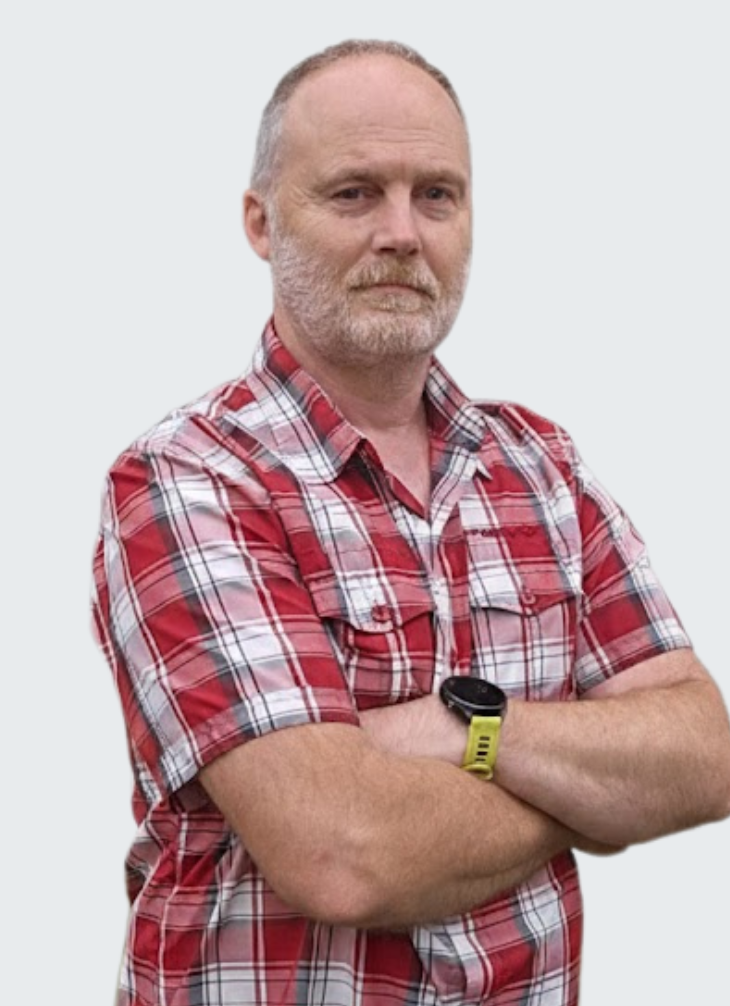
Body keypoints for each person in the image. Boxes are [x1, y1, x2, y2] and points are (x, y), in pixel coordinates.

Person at [91, 39, 730, 1006]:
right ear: (261, 223)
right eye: (354, 193)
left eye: (438, 195)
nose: (403, 231)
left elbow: (703, 755)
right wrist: (592, 797)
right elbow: (342, 853)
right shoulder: (188, 479)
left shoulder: (542, 467)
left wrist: (468, 731)